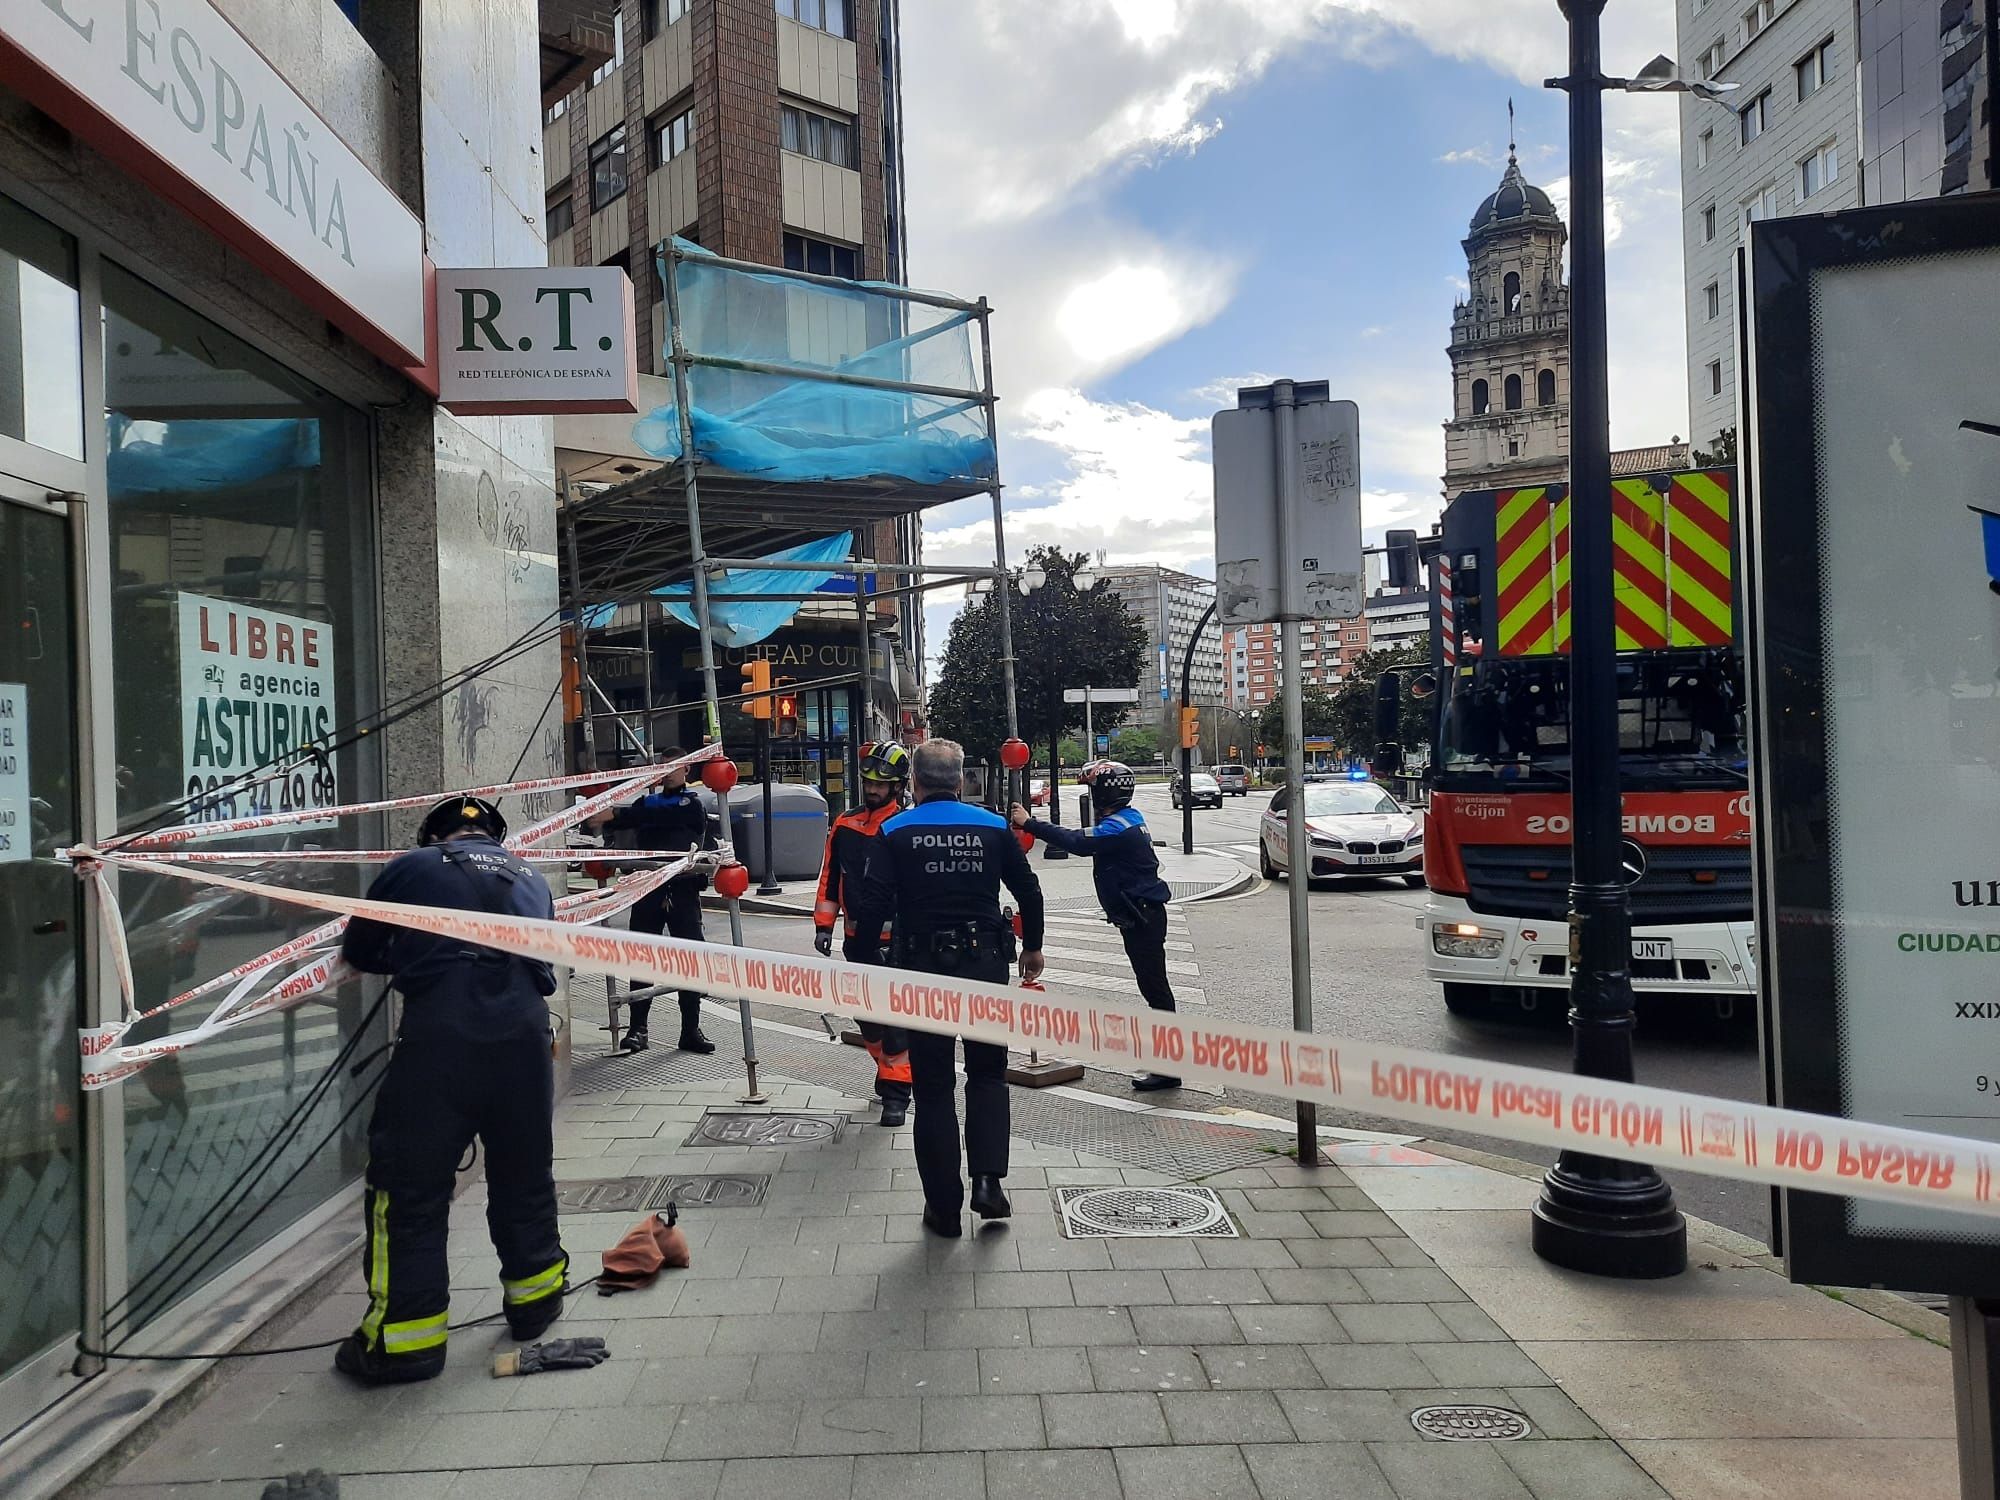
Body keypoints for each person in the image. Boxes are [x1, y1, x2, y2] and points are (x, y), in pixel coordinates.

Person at [334, 794, 567, 1385]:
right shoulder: (532, 876)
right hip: (523, 1036)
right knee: (524, 1173)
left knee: (407, 1187)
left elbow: (360, 949)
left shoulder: (412, 867)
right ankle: (537, 1301)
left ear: (434, 836)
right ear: (496, 836)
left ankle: (405, 1341)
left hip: (444, 1036)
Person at [848, 739, 1044, 1236]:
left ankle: (943, 1206)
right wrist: (1032, 948)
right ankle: (988, 1183)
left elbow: (872, 906)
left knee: (933, 1088)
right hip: (983, 967)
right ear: (960, 782)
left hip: (923, 971)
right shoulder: (995, 827)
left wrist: (866, 963)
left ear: (913, 782)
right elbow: (1029, 891)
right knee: (987, 1075)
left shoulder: (893, 830)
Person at [1013, 760, 1181, 1092]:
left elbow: (1077, 842)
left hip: (1143, 916)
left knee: (1156, 989)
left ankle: (1169, 1066)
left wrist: (1029, 823)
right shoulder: (1129, 819)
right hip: (1142, 914)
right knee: (1155, 988)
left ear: (1102, 793)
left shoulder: (1117, 828)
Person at [812, 740, 915, 1126]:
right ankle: (888, 1071)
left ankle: (896, 1094)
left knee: (896, 1024)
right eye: (868, 782)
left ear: (898, 787)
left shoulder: (905, 826)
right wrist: (824, 925)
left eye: (881, 785)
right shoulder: (845, 824)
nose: (872, 790)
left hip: (900, 943)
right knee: (867, 1019)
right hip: (856, 940)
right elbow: (830, 876)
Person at [588, 750, 718, 1054]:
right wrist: (602, 818)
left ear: (686, 769)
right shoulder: (646, 803)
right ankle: (638, 1029)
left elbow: (665, 816)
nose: (669, 773)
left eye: (674, 767)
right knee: (642, 957)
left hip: (682, 890)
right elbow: (624, 824)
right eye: (663, 768)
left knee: (690, 958)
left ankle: (690, 1030)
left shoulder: (692, 804)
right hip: (648, 889)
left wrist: (618, 814)